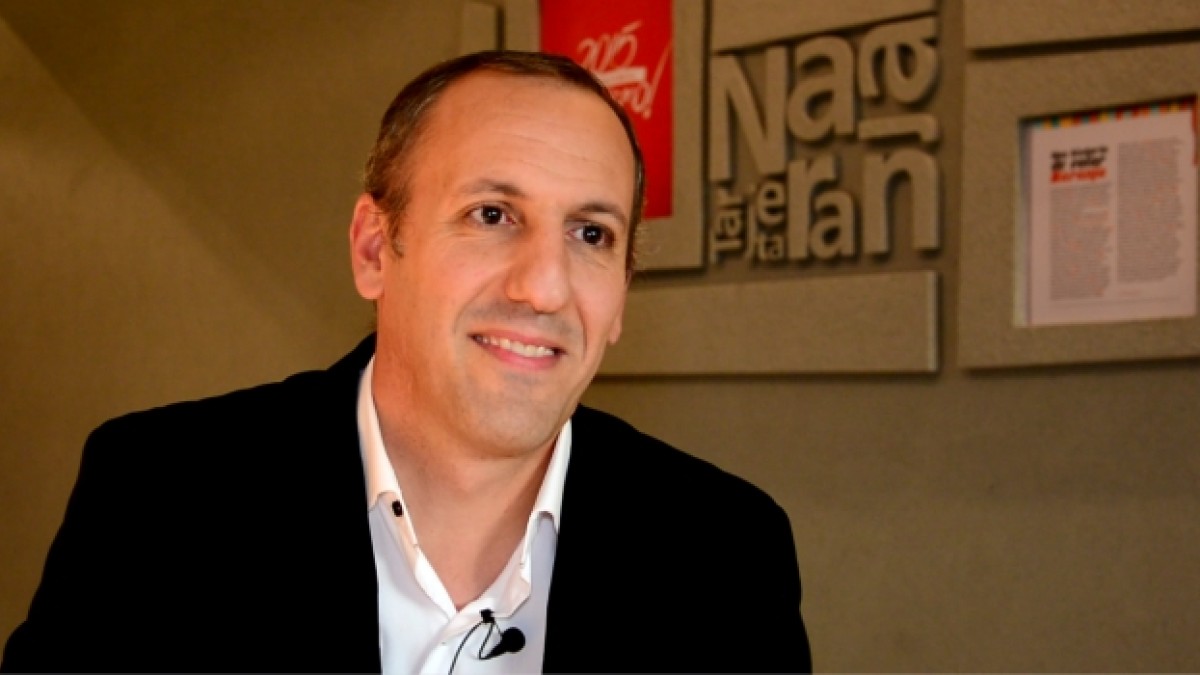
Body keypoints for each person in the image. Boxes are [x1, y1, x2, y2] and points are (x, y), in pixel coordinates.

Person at [2, 50, 811, 673]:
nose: (544, 286)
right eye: (492, 214)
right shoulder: (159, 498)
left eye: (591, 233)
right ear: (372, 249)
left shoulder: (726, 553)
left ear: (623, 292)